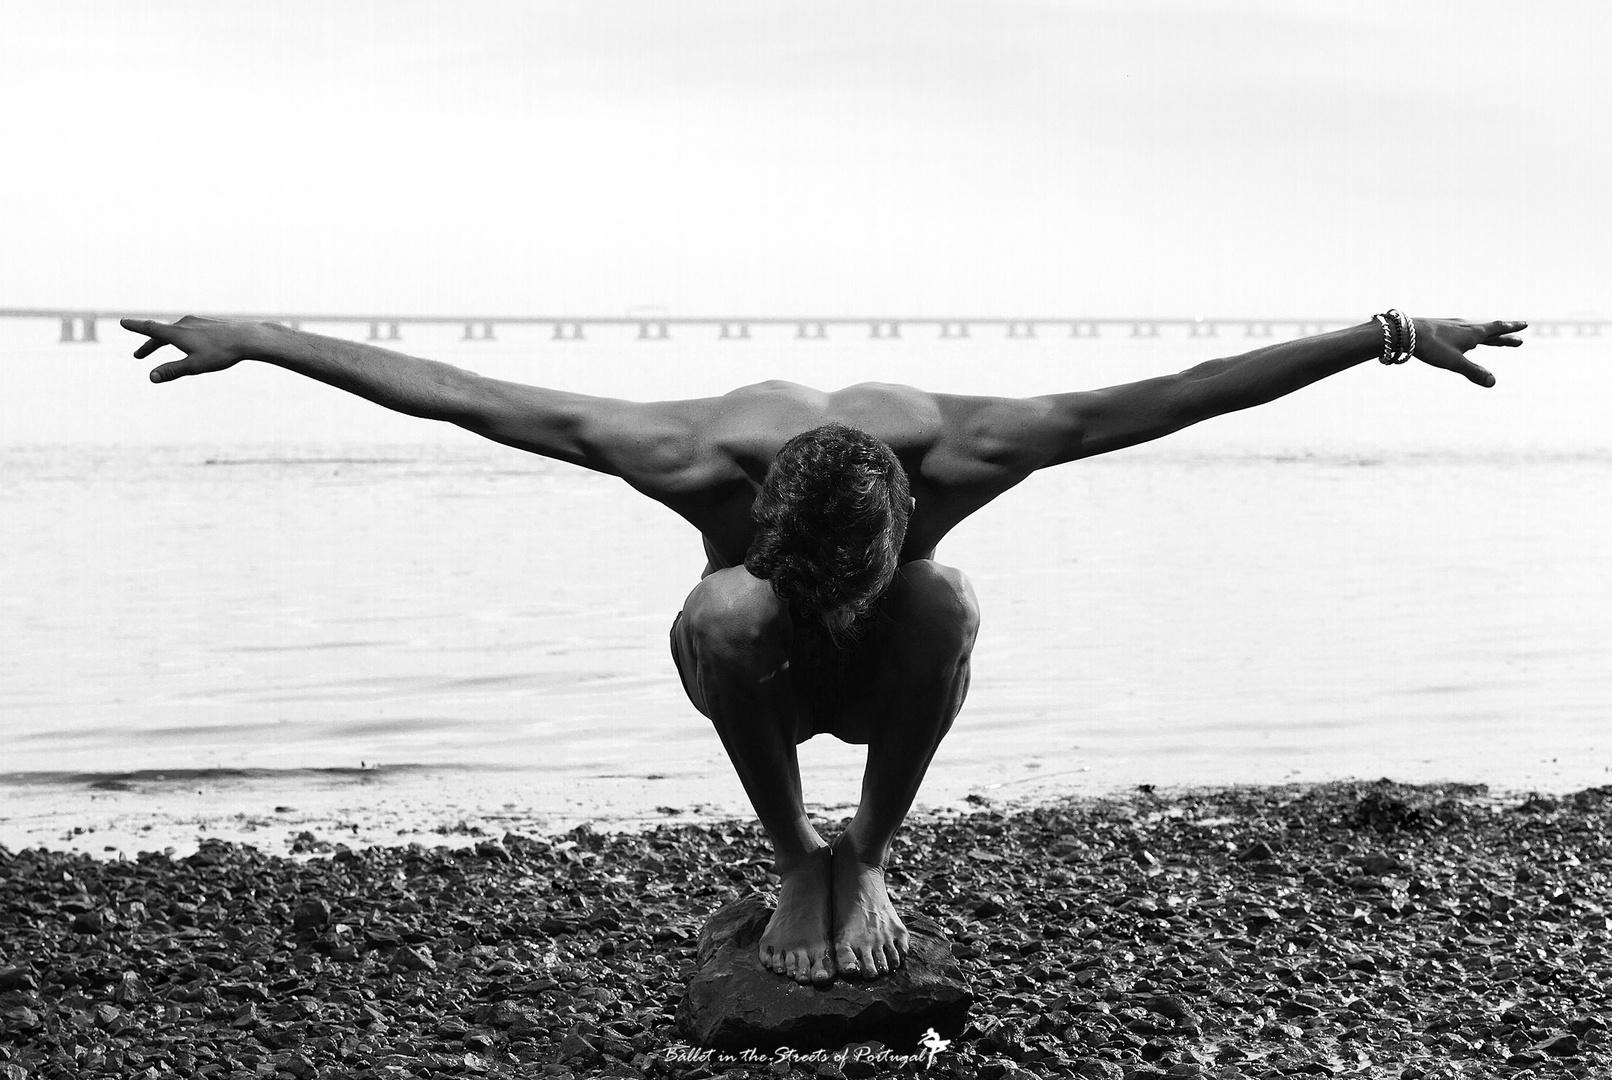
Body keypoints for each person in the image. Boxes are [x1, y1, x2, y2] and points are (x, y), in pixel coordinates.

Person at [120, 311, 1525, 987]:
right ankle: (800, 860)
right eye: (826, 582)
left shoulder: (971, 453)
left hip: (889, 693)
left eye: (858, 577)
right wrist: (258, 339)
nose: (847, 596)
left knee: (951, 603)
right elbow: (467, 395)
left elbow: (1170, 397)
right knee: (725, 612)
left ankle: (872, 850)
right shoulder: (687, 459)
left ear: (907, 501)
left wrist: (1387, 334)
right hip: (758, 679)